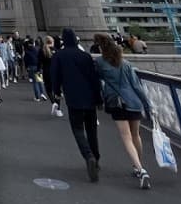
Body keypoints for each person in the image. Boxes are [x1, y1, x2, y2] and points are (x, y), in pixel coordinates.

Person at [94, 34, 153, 189]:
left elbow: (96, 80)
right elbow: (137, 86)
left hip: (117, 102)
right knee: (136, 135)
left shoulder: (100, 62)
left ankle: (140, 169)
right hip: (133, 102)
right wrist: (148, 105)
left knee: (126, 137)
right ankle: (139, 166)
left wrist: (99, 99)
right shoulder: (125, 63)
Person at [50, 28, 103, 182]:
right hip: (90, 99)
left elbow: (55, 76)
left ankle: (88, 156)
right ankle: (96, 159)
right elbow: (95, 79)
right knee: (92, 130)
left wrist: (56, 92)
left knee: (78, 129)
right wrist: (99, 100)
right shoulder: (85, 56)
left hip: (74, 99)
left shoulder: (59, 55)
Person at [40, 36, 62, 116]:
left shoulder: (42, 50)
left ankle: (53, 102)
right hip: (55, 71)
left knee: (48, 89)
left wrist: (38, 70)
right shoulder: (56, 50)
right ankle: (59, 109)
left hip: (46, 71)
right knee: (57, 90)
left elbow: (39, 61)